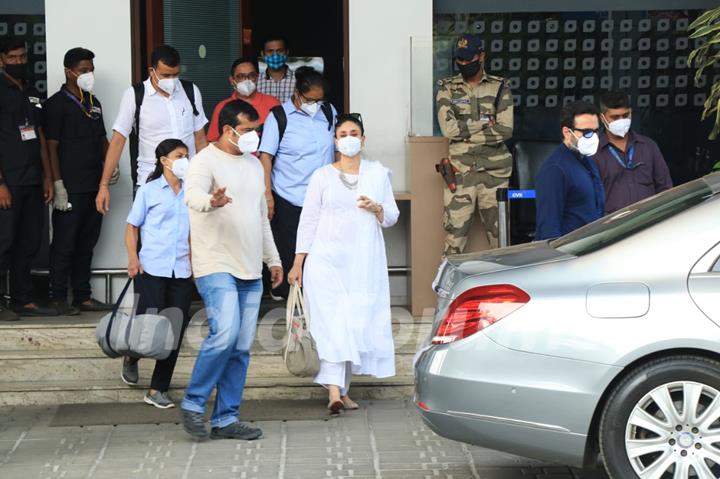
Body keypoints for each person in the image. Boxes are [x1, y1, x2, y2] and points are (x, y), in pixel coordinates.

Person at [180, 100, 283, 440]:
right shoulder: (204, 160)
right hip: (216, 263)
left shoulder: (254, 166)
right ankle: (194, 404)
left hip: (250, 269)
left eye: (257, 130)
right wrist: (212, 201)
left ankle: (226, 418)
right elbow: (191, 196)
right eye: (249, 130)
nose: (254, 136)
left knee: (240, 347)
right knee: (223, 335)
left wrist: (274, 259)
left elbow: (260, 218)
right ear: (227, 130)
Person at [288, 114, 399, 415]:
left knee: (353, 323)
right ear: (335, 141)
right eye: (343, 133)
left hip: (363, 262)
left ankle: (342, 390)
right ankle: (334, 393)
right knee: (332, 324)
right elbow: (308, 219)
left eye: (354, 133)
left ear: (363, 139)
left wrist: (377, 208)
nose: (348, 138)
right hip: (325, 260)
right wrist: (299, 261)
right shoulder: (322, 175)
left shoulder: (378, 174)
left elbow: (391, 216)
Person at [123, 139, 194, 409]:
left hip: (182, 270)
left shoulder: (191, 192)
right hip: (151, 268)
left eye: (187, 155)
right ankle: (131, 357)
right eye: (179, 155)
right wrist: (132, 258)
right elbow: (132, 227)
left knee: (173, 332)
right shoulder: (149, 191)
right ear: (164, 160)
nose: (184, 160)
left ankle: (157, 389)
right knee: (148, 330)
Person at [95, 44, 208, 214]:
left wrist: (208, 177)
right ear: (152, 71)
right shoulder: (134, 95)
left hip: (189, 181)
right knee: (152, 238)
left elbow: (200, 139)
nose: (171, 80)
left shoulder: (191, 91)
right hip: (152, 182)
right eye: (165, 75)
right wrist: (104, 185)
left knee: (190, 237)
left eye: (175, 75)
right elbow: (118, 141)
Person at [43, 47, 112, 316]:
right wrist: (57, 183)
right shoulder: (56, 105)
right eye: (84, 70)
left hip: (94, 186)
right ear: (68, 72)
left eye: (91, 70)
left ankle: (82, 295)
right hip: (69, 187)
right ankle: (58, 297)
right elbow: (50, 147)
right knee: (64, 243)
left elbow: (103, 140)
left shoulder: (93, 103)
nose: (89, 75)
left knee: (87, 241)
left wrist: (110, 168)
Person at [258, 67, 336, 299]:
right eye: (311, 100)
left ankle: (316, 296)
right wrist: (267, 195)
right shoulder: (278, 117)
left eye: (319, 100)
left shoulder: (329, 112)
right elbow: (266, 157)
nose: (315, 104)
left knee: (320, 250)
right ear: (298, 93)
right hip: (290, 196)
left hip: (323, 197)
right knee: (291, 249)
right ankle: (291, 299)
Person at [436, 34, 513, 255]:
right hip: (461, 173)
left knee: (501, 241)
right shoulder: (447, 88)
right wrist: (486, 123)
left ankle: (504, 288)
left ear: (481, 56)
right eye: (460, 60)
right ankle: (447, 289)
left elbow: (505, 130)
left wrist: (466, 132)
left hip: (495, 172)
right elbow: (449, 130)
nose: (464, 64)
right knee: (454, 239)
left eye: (469, 59)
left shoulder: (500, 87)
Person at [0, 35, 56, 319]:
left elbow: (42, 137)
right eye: (13, 58)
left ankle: (22, 299)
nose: (19, 62)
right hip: (8, 182)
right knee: (4, 242)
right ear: (1, 61)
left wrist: (48, 177)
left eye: (23, 57)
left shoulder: (33, 92)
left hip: (33, 180)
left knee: (29, 241)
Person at [593, 89, 672, 214]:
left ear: (631, 112)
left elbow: (665, 188)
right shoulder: (594, 153)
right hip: (611, 226)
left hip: (649, 222)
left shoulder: (648, 147)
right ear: (602, 118)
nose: (621, 120)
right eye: (615, 117)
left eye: (625, 115)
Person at [535, 101, 605, 240]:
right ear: (567, 132)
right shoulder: (555, 169)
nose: (593, 137)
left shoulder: (587, 161)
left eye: (596, 131)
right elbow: (549, 228)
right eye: (587, 132)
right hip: (570, 253)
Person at [206, 57, 280, 142]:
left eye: (251, 75)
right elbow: (213, 140)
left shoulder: (273, 103)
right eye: (241, 76)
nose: (246, 80)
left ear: (257, 77)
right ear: (232, 80)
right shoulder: (222, 107)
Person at [257, 35, 296, 103]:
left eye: (279, 50)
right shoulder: (255, 81)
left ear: (287, 52)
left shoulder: (298, 80)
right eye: (270, 51)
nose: (275, 55)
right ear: (263, 54)